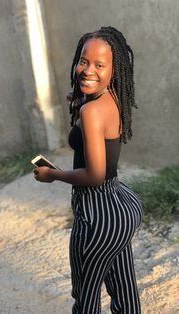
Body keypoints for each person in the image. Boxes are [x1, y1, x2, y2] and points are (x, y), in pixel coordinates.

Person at [33, 26, 143, 314]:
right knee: (124, 290)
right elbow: (94, 134)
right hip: (121, 206)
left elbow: (94, 175)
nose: (87, 70)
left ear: (114, 68)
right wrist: (79, 103)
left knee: (86, 299)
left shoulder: (91, 112)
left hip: (97, 215)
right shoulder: (111, 99)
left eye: (99, 65)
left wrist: (53, 175)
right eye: (83, 61)